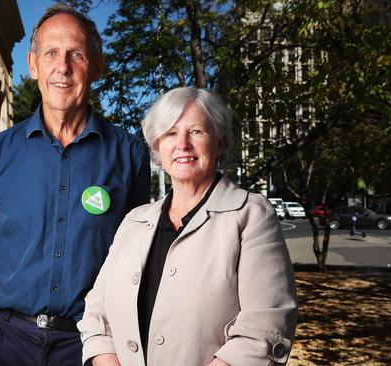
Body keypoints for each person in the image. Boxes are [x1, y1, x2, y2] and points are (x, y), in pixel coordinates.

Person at [0, 4, 151, 366]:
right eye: (51, 53)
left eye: (76, 54)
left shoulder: (130, 155)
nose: (62, 67)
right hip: (4, 344)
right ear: (33, 64)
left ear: (97, 65)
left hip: (87, 346)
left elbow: (133, 257)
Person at [78, 87, 298, 366]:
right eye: (170, 133)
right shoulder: (134, 220)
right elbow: (97, 311)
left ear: (220, 141)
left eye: (196, 131)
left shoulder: (251, 215)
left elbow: (267, 325)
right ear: (158, 146)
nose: (182, 144)